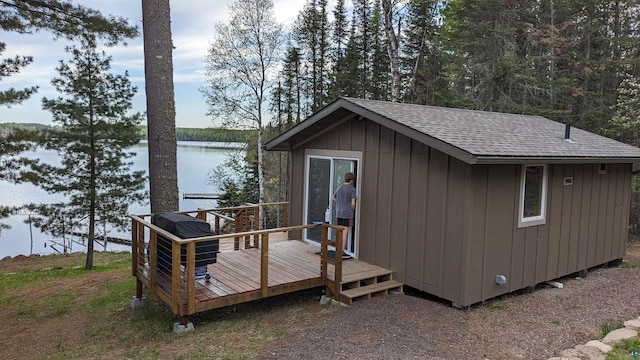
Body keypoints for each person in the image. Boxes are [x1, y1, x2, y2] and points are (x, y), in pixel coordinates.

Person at [332, 172, 357, 258]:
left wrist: (339, 202)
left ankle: (337, 249)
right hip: (347, 213)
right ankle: (342, 251)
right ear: (351, 180)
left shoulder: (340, 187)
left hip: (339, 212)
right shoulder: (352, 189)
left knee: (339, 230)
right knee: (345, 231)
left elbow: (333, 197)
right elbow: (353, 203)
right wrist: (352, 208)